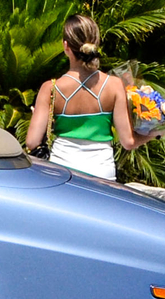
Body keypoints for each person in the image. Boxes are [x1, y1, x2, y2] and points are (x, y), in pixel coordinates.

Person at [25, 14, 135, 181]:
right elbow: (128, 142)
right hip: (102, 175)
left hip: (62, 173)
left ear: (65, 46)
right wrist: (156, 132)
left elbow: (32, 142)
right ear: (96, 44)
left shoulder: (51, 88)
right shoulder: (114, 85)